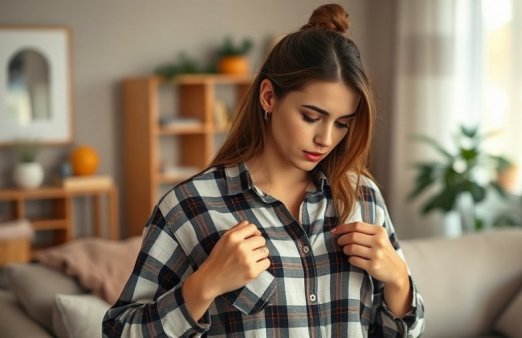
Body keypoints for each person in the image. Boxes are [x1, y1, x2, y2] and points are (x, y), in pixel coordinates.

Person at [103, 3, 425, 337]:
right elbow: (119, 331)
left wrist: (399, 281)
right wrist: (204, 285)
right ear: (269, 97)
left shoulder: (363, 199)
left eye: (342, 124)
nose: (325, 139)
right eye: (311, 117)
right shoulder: (190, 207)